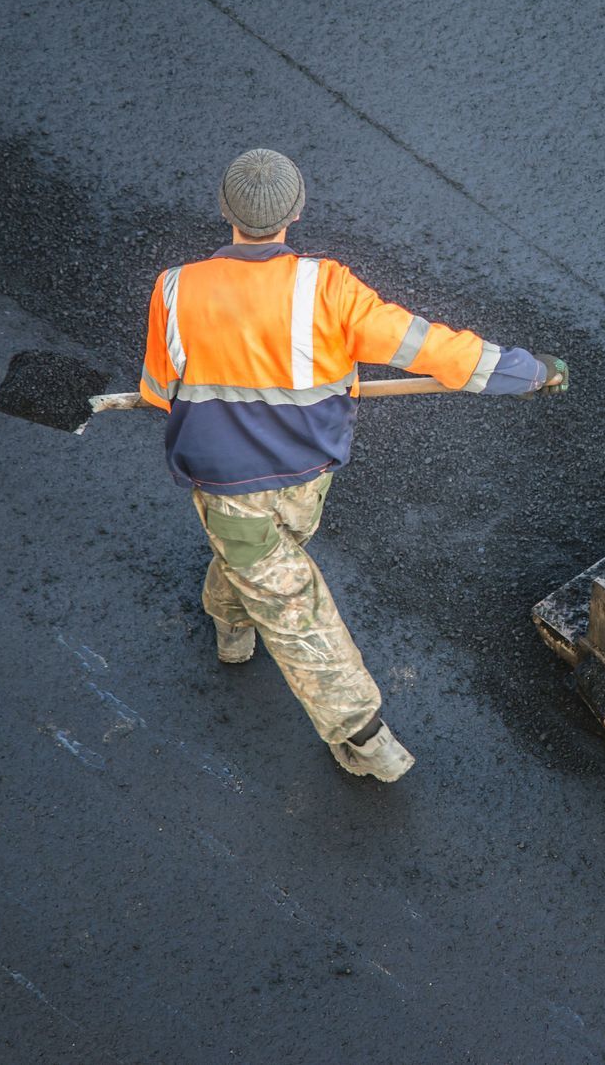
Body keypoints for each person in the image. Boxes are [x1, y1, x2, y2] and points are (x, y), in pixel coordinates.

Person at [139, 149, 567, 782]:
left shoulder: (174, 289)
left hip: (226, 486)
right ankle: (362, 734)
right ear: (296, 212)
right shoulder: (328, 288)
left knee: (261, 563)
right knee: (293, 601)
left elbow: (155, 389)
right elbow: (432, 348)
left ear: (225, 211)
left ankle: (230, 624)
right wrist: (527, 373)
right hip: (308, 474)